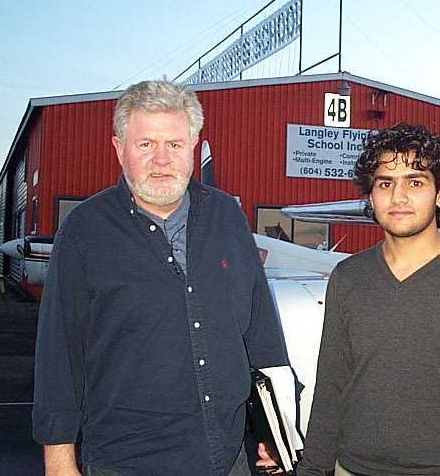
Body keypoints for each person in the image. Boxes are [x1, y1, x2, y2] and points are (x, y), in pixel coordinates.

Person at [32, 80, 294, 476]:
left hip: (229, 460)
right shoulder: (84, 232)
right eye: (146, 144)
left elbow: (261, 334)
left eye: (174, 144)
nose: (162, 159)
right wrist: (59, 460)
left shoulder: (227, 217)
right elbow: (59, 354)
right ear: (119, 149)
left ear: (192, 146)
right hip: (127, 463)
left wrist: (276, 432)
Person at [296, 122, 440, 476]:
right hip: (355, 468)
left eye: (415, 182)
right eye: (385, 183)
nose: (398, 197)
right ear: (370, 197)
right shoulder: (348, 278)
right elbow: (331, 386)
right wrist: (313, 470)